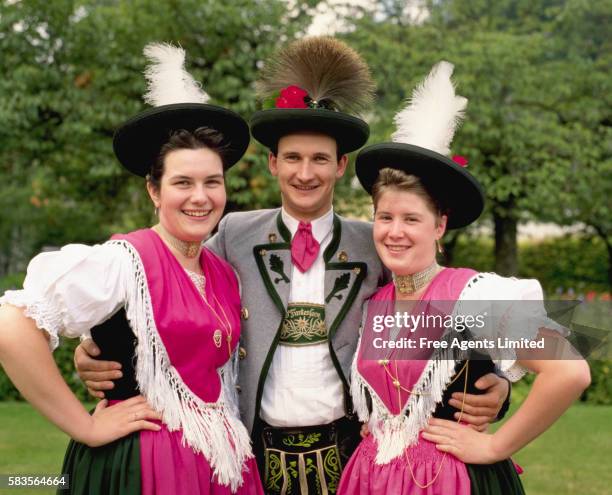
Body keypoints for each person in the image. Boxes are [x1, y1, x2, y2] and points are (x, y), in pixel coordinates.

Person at [74, 38, 512, 495]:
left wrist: (493, 383)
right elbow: (173, 295)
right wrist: (100, 346)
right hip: (253, 453)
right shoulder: (230, 234)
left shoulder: (378, 242)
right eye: (293, 158)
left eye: (320, 158)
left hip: (352, 454)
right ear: (272, 163)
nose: (306, 173)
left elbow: (435, 312)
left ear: (341, 165)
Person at [0, 43, 263, 495]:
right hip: (139, 468)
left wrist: (91, 347)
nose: (200, 197)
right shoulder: (122, 262)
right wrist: (86, 427)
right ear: (154, 190)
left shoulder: (221, 271)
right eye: (182, 182)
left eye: (211, 182)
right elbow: (10, 327)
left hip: (217, 469)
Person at [336, 61, 591, 494]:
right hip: (374, 479)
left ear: (439, 226)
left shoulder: (473, 296)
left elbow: (570, 372)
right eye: (385, 217)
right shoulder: (375, 302)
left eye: (411, 219)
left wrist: (495, 447)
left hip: (448, 480)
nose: (395, 232)